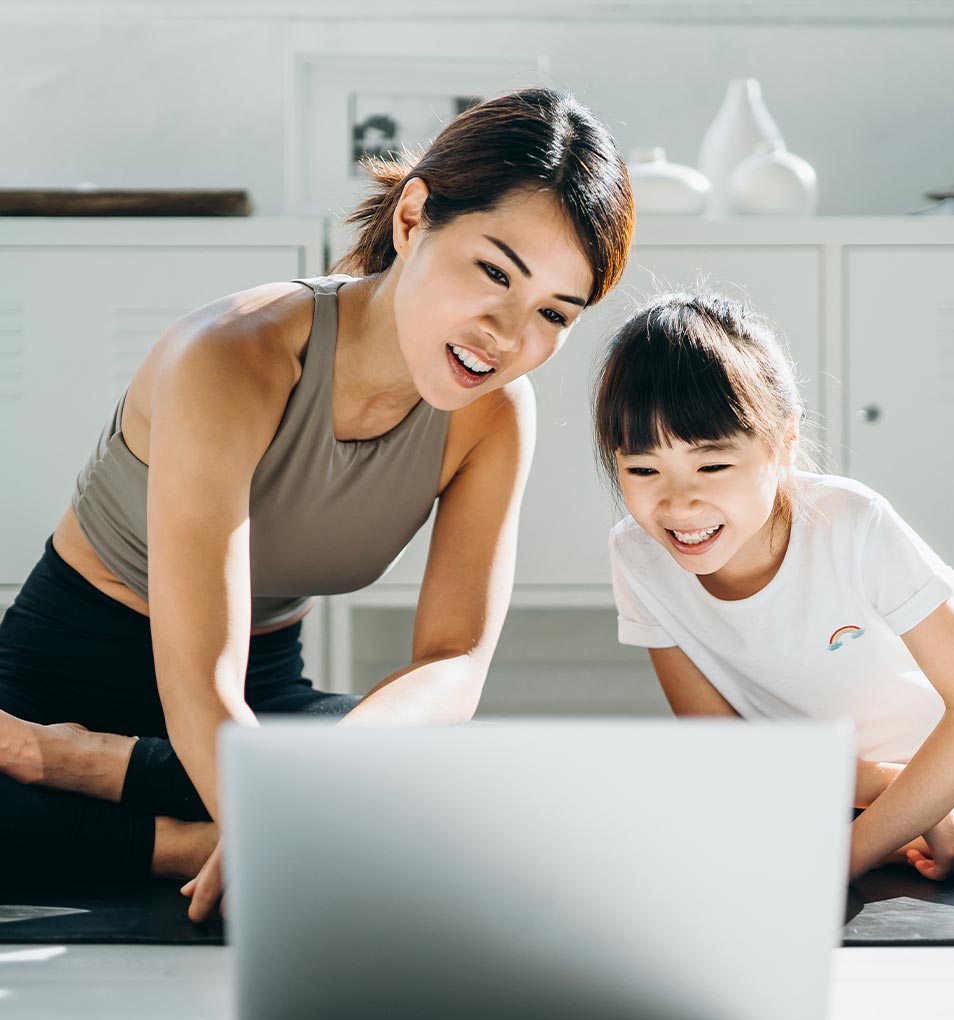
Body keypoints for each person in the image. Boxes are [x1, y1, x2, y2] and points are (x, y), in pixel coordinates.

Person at [0, 88, 634, 921]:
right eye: (493, 271)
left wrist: (347, 768)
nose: (507, 334)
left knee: (474, 785)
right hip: (66, 677)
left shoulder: (497, 416)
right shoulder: (233, 355)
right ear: (413, 219)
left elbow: (452, 663)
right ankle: (189, 840)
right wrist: (310, 817)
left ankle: (93, 773)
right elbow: (200, 681)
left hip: (262, 700)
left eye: (554, 312)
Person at [593, 291, 954, 882]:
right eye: (642, 470)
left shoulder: (850, 520)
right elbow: (723, 751)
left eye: (712, 465)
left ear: (784, 443)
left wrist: (844, 859)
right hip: (819, 784)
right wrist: (893, 792)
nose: (678, 503)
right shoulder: (637, 554)